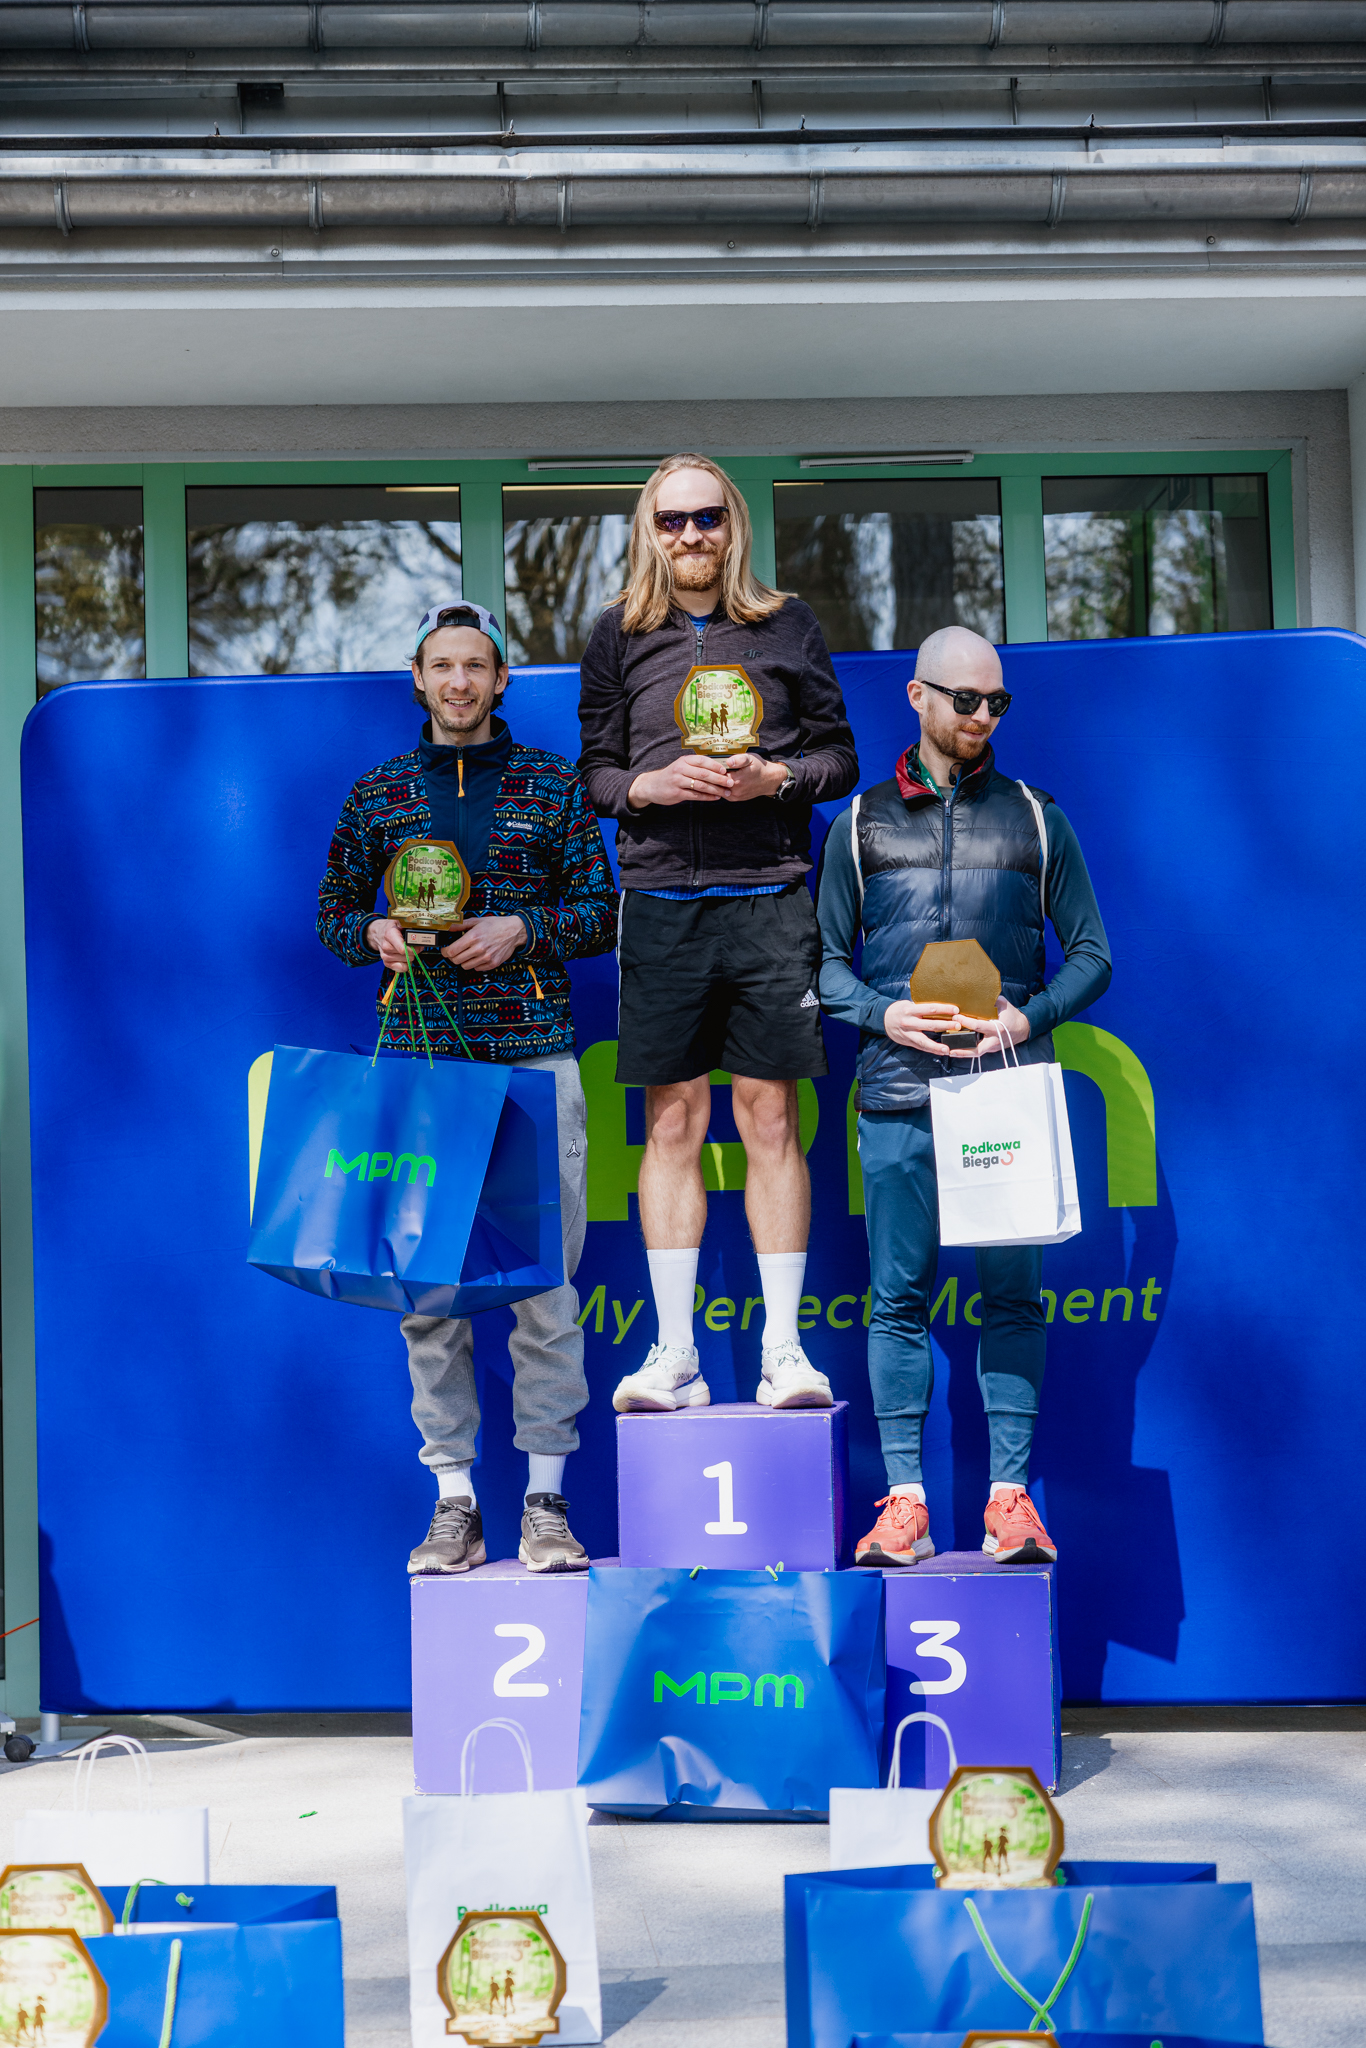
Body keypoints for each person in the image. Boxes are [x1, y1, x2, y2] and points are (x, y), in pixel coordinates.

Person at [319, 600, 618, 1574]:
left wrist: (524, 928)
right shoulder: (378, 794)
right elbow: (332, 910)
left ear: (500, 680)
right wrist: (371, 932)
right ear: (418, 678)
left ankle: (544, 1502)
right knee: (427, 1295)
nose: (458, 682)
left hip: (533, 1063)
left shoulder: (551, 783)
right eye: (442, 666)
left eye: (475, 666)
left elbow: (601, 910)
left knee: (545, 1291)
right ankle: (455, 1502)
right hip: (421, 1072)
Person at [816, 625, 1111, 1567]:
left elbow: (1094, 955)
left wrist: (1030, 1017)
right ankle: (904, 1505)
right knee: (896, 1301)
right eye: (966, 699)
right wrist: (882, 1014)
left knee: (1013, 1301)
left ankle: (1008, 1502)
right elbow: (821, 965)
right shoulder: (859, 823)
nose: (983, 716)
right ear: (918, 697)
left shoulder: (1036, 818)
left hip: (1003, 1098)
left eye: (997, 702)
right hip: (897, 1094)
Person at [577, 453, 859, 1414]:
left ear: (733, 524)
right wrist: (649, 787)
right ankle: (676, 1355)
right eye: (671, 521)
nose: (690, 534)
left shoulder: (788, 623)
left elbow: (838, 757)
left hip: (769, 895)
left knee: (772, 1120)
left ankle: (784, 1351)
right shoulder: (617, 634)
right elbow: (596, 776)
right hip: (661, 902)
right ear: (648, 533)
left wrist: (776, 778)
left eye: (706, 517)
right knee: (672, 1124)